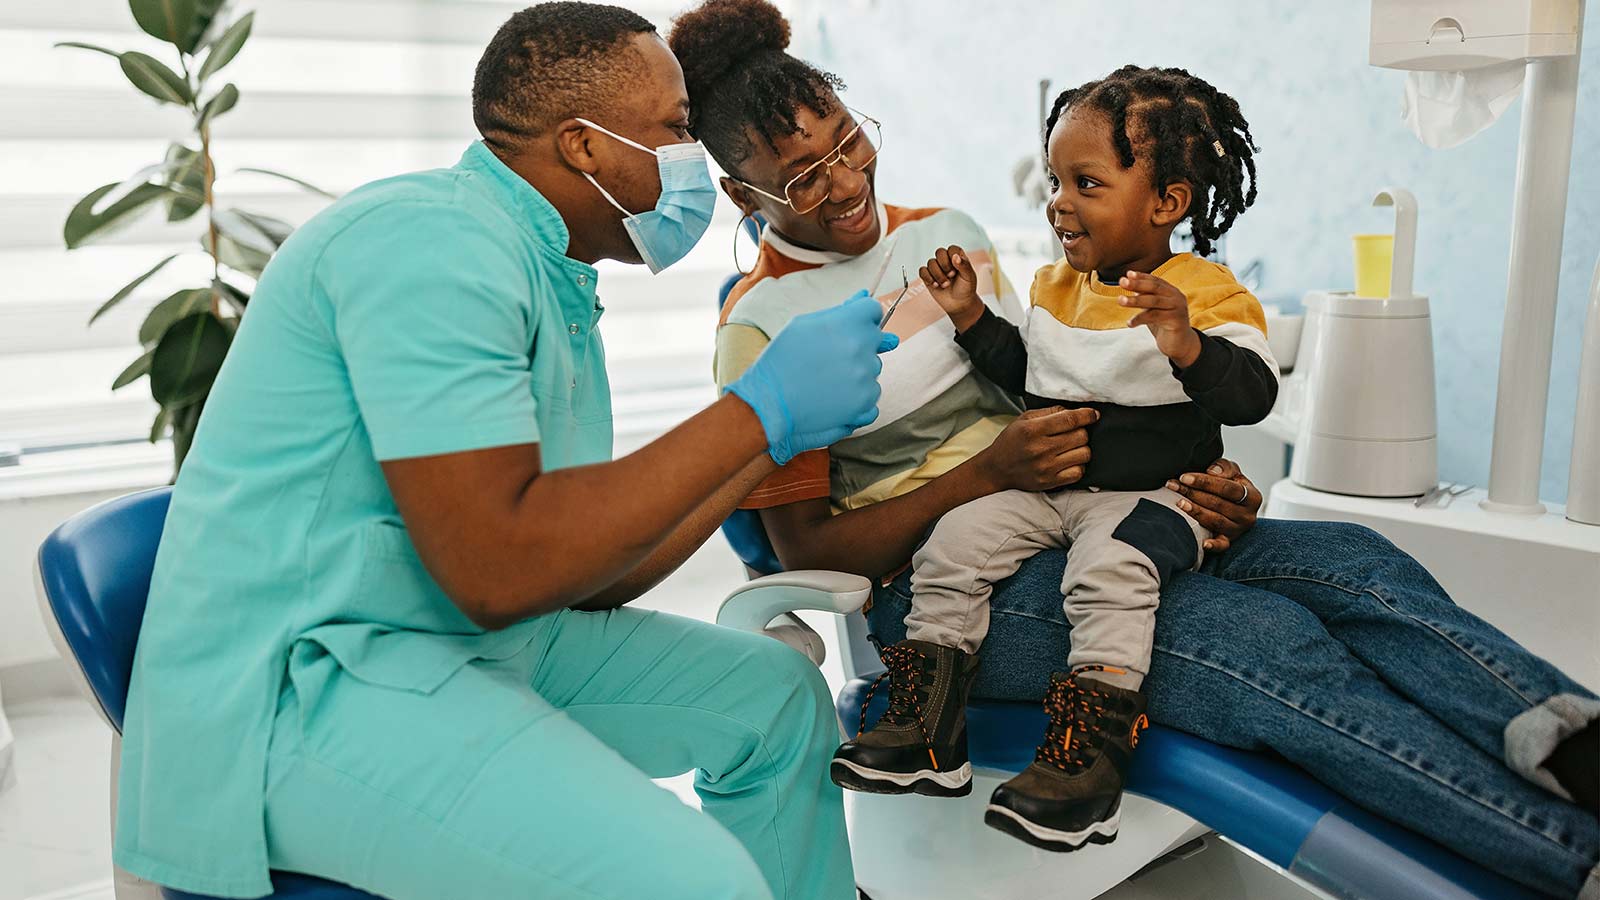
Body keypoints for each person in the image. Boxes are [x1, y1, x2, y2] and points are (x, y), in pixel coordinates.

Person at [670, 1, 1600, 895]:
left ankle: (1572, 742)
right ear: (737, 191)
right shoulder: (758, 330)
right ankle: (1567, 853)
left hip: (1096, 507)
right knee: (1260, 643)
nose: (843, 182)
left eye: (847, 142)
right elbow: (809, 552)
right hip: (948, 588)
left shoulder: (947, 237)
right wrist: (989, 473)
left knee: (1359, 565)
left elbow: (1053, 373)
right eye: (800, 175)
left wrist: (1195, 472)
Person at [114, 5, 887, 898]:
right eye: (675, 130)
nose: (694, 163)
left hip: (468, 643)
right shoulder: (431, 247)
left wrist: (775, 438)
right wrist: (758, 413)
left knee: (777, 705)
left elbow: (586, 574)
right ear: (583, 146)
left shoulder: (545, 271)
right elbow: (499, 567)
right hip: (308, 690)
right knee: (699, 881)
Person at [834, 67, 1280, 855]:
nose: (1059, 202)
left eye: (1087, 182)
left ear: (1166, 202)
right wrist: (972, 316)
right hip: (1054, 492)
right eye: (1054, 180)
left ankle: (1089, 761)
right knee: (954, 542)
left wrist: (1185, 342)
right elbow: (1027, 374)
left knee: (1107, 574)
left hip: (1154, 498)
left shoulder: (1201, 292)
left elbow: (1251, 394)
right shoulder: (1055, 286)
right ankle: (927, 730)